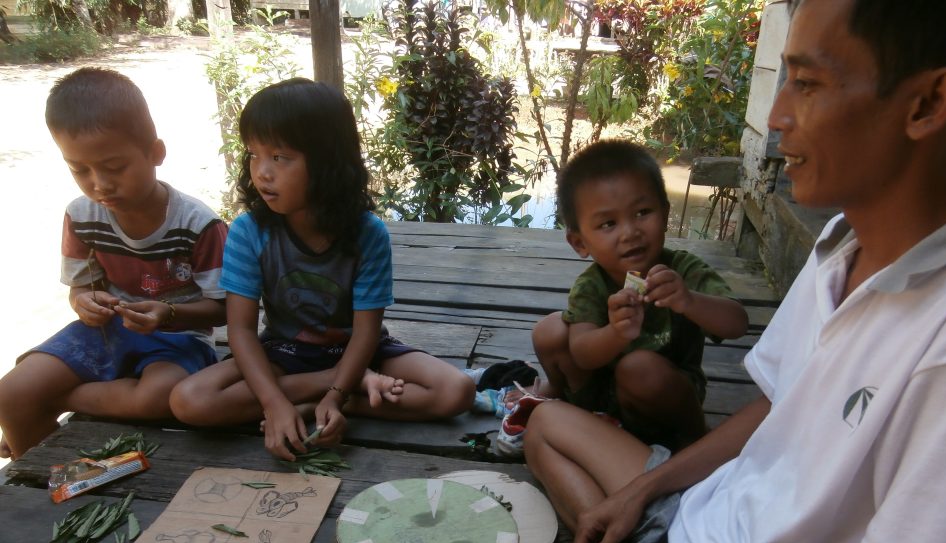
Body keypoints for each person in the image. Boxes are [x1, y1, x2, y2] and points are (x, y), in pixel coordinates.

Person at [516, 0, 946, 543]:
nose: (778, 118)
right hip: (708, 529)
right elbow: (776, 407)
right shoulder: (844, 241)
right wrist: (642, 494)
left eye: (808, 83)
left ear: (926, 104)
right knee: (546, 426)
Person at [170, 78, 474, 460]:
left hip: (362, 352)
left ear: (328, 160)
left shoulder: (367, 233)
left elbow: (365, 332)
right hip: (284, 352)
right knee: (188, 401)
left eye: (279, 157)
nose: (261, 172)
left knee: (457, 391)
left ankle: (325, 401)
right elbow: (242, 331)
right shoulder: (250, 231)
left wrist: (334, 398)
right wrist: (274, 403)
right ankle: (341, 389)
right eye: (254, 154)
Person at [0, 67, 227, 460]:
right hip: (105, 331)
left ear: (155, 153)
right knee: (10, 394)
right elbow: (82, 287)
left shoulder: (197, 224)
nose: (99, 184)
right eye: (79, 170)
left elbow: (223, 307)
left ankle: (57, 400)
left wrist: (168, 314)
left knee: (159, 398)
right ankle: (44, 479)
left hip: (179, 338)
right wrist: (83, 302)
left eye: (114, 167)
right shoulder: (82, 215)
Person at [499, 140, 748, 456]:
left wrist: (689, 301)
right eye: (608, 224)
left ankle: (695, 439)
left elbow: (737, 324)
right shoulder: (592, 285)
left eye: (643, 212)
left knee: (638, 367)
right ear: (579, 243)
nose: (630, 232)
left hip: (663, 395)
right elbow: (583, 354)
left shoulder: (682, 270)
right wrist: (616, 333)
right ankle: (564, 400)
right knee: (549, 330)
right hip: (603, 391)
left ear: (665, 213)